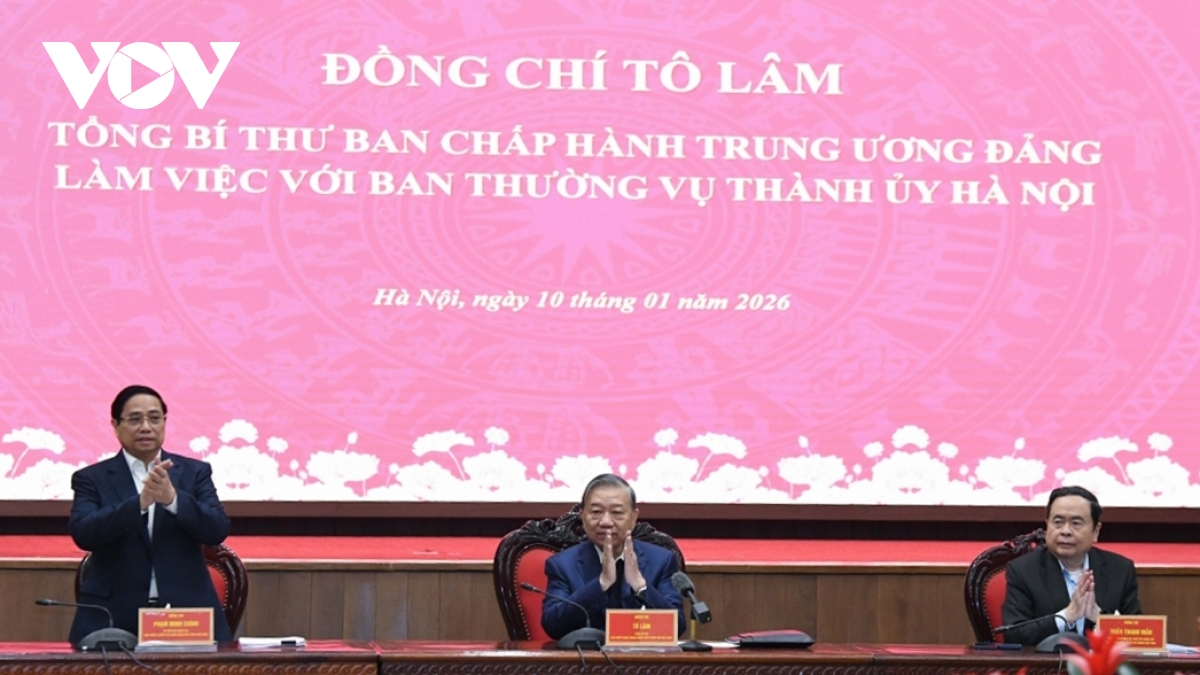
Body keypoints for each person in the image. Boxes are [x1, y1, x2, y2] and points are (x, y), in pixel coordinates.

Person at [68, 385, 232, 646]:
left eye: (154, 418)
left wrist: (174, 500)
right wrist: (139, 504)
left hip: (184, 617)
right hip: (113, 616)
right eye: (135, 419)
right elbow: (84, 532)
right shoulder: (91, 478)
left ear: (164, 422)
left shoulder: (194, 473)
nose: (146, 427)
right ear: (116, 425)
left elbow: (217, 529)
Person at [541, 474, 686, 639]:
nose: (606, 522)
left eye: (616, 512)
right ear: (582, 516)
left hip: (641, 654)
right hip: (586, 654)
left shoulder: (661, 561)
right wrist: (601, 584)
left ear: (633, 517)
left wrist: (641, 586)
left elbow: (677, 627)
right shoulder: (562, 565)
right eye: (596, 512)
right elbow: (552, 625)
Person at [1001, 485, 1141, 645]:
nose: (1065, 531)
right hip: (1048, 661)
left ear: (1096, 531)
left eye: (1076, 523)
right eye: (1058, 522)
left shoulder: (1120, 570)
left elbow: (1140, 636)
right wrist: (1066, 616)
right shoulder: (1023, 571)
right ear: (1047, 525)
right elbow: (1013, 635)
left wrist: (1100, 617)